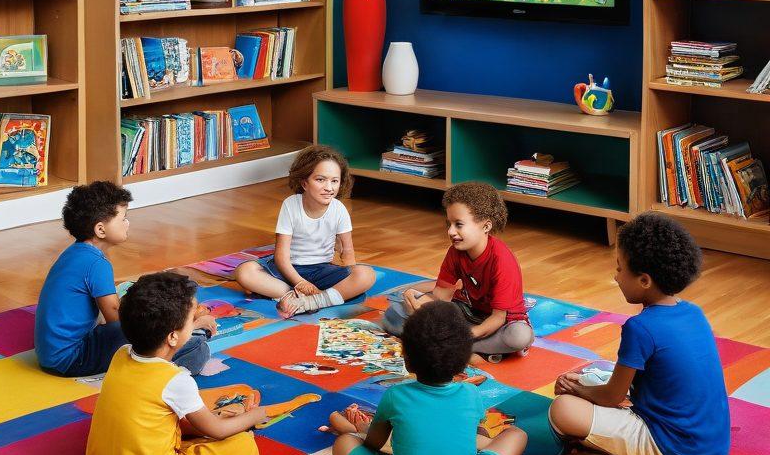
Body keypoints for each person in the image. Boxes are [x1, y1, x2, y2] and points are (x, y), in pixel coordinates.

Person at [549, 212, 730, 455]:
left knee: (562, 409)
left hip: (672, 446)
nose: (615, 276)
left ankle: (597, 453)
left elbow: (613, 397)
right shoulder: (693, 312)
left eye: (620, 268)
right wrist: (586, 385)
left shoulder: (640, 327)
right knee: (593, 376)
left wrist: (576, 390)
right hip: (714, 443)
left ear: (644, 280)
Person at [329, 301, 527, 455]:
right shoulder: (470, 394)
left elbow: (373, 445)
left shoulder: (395, 395)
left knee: (344, 443)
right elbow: (476, 434)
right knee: (517, 435)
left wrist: (362, 428)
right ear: (463, 365)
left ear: (407, 361)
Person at [87, 272, 264, 455]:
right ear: (172, 337)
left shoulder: (121, 354)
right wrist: (256, 415)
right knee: (244, 446)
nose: (196, 322)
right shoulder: (175, 380)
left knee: (183, 423)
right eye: (192, 320)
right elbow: (217, 430)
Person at [34, 181, 215, 377]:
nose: (127, 223)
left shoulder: (74, 253)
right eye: (123, 219)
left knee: (133, 294)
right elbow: (119, 320)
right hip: (73, 359)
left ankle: (181, 327)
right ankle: (189, 331)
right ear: (101, 230)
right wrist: (187, 324)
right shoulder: (96, 264)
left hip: (51, 356)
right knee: (197, 350)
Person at [382, 181, 533, 360]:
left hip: (501, 323)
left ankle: (452, 346)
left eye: (459, 224)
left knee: (519, 336)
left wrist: (463, 336)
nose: (451, 231)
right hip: (466, 313)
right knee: (393, 315)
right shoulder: (455, 252)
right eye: (449, 224)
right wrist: (417, 301)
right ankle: (464, 348)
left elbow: (498, 318)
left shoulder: (502, 260)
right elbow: (440, 298)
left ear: (486, 226)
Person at [233, 145, 375, 315]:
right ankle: (295, 294)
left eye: (334, 181)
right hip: (288, 269)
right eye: (321, 180)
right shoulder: (291, 205)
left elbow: (348, 252)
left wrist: (350, 277)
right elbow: (281, 257)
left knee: (366, 274)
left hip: (321, 270)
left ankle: (312, 301)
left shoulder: (339, 210)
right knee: (245, 271)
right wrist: (300, 283)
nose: (329, 187)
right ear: (304, 183)